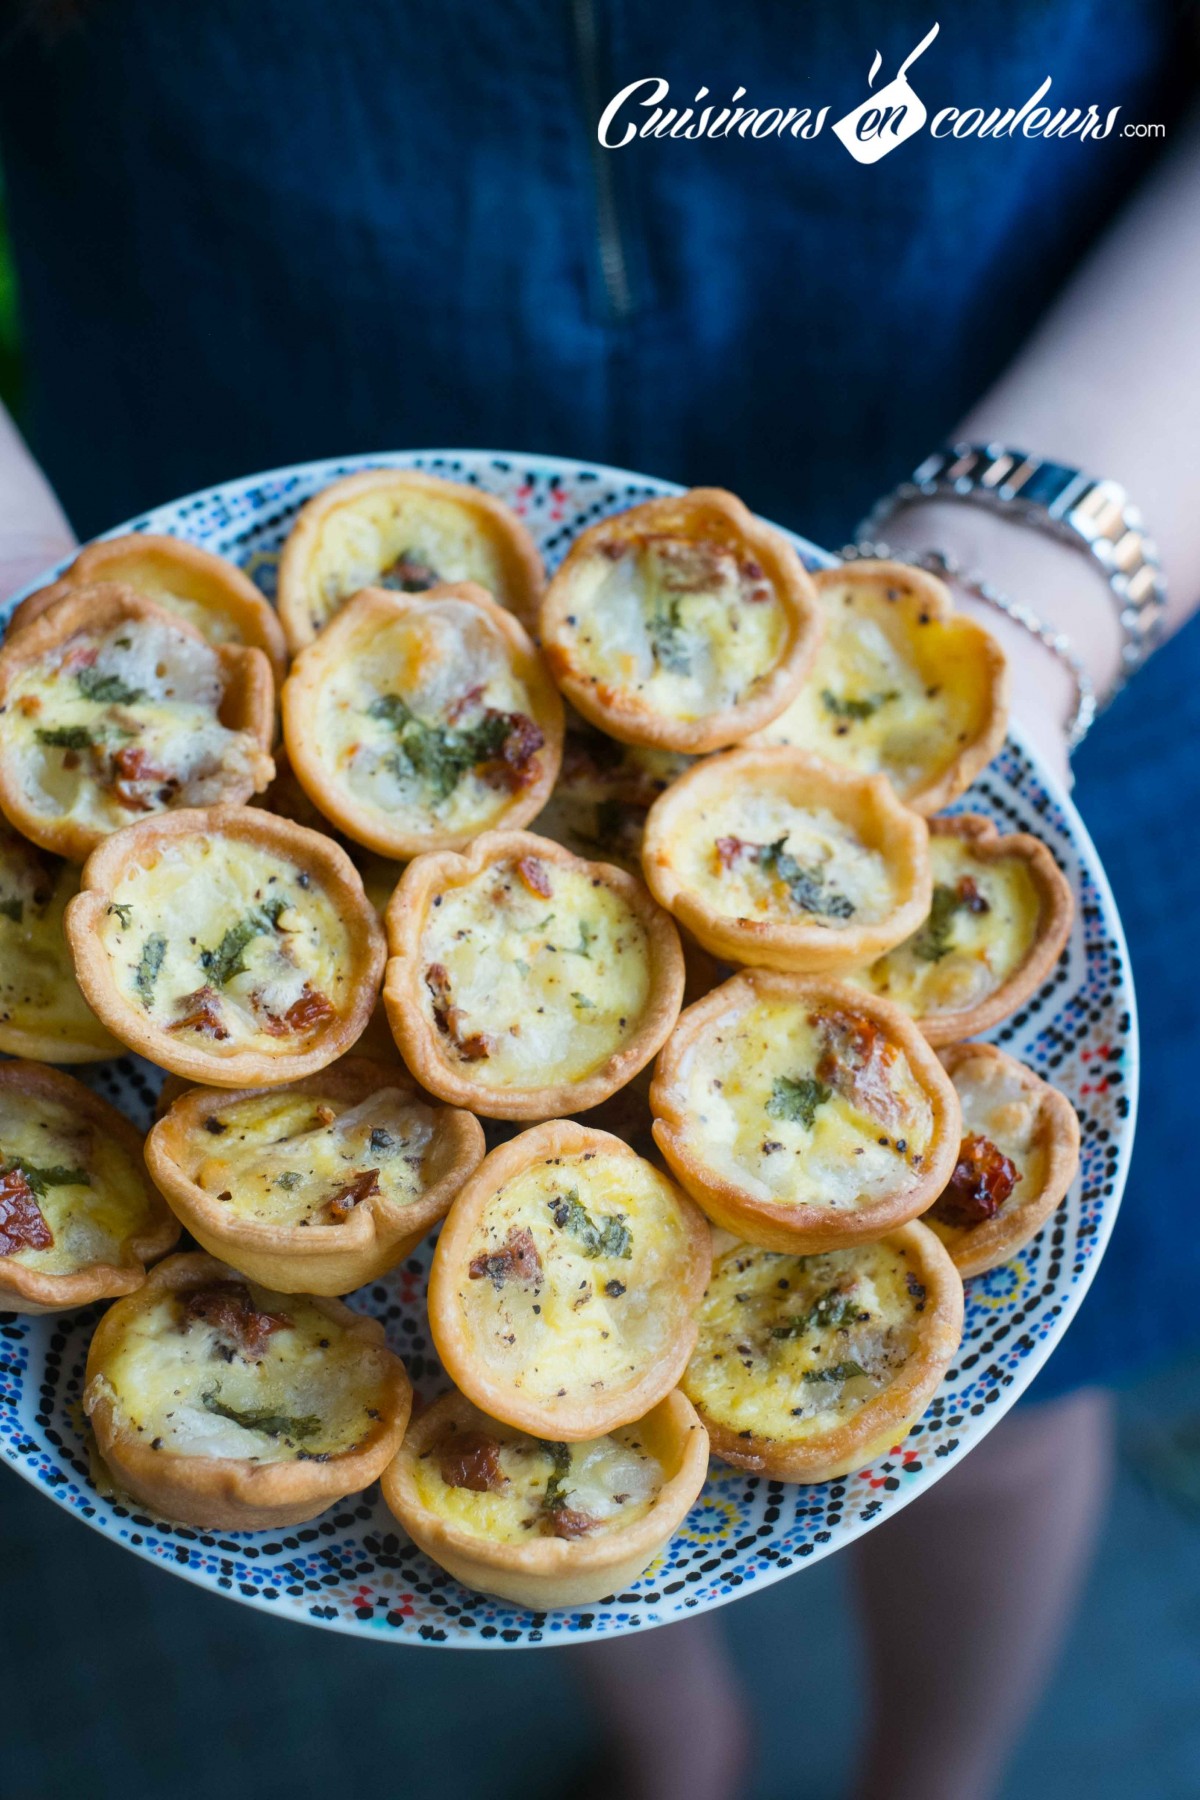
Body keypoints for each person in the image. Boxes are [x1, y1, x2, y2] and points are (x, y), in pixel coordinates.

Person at [1, 5, 1198, 1797]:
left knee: (1021, 1404)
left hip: (1045, 452)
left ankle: (931, 1775)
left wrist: (1041, 565)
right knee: (546, 1437)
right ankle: (676, 1739)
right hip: (223, 382)